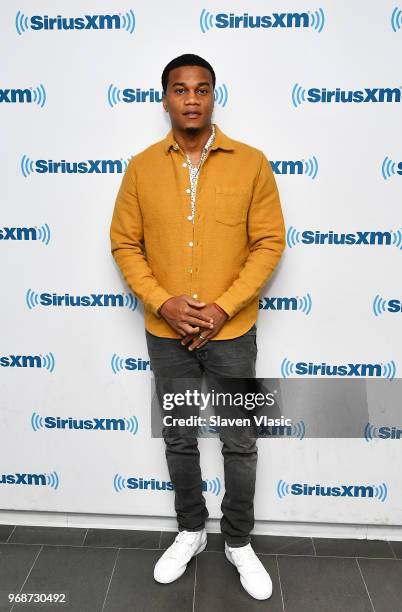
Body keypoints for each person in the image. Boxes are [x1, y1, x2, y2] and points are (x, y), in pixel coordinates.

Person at [109, 53, 286, 600]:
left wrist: (221, 308)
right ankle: (190, 530)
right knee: (181, 440)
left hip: (232, 333)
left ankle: (237, 541)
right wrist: (164, 303)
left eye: (202, 89)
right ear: (165, 98)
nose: (191, 99)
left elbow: (268, 243)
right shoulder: (140, 167)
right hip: (169, 339)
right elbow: (124, 243)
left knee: (239, 441)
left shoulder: (251, 163)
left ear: (214, 96)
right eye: (180, 89)